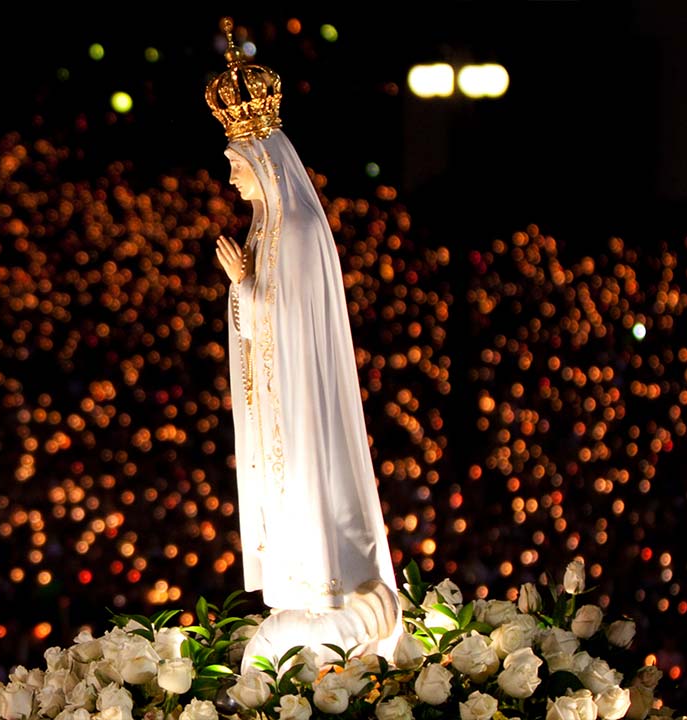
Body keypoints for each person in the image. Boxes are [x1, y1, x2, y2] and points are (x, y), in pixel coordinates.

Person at [206, 17, 400, 667]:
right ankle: (300, 587)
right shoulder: (266, 230)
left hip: (305, 413)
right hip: (277, 412)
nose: (232, 180)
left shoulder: (300, 235)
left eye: (236, 166)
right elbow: (263, 322)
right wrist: (245, 291)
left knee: (312, 496)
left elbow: (296, 328)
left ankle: (329, 591)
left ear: (262, 162)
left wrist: (247, 289)